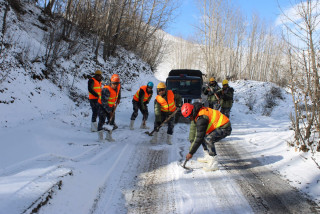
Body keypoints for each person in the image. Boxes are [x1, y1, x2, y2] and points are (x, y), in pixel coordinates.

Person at [181, 102, 232, 171]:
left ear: (191, 112)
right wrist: (192, 140)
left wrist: (191, 152)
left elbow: (199, 137)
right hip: (218, 126)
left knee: (208, 139)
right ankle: (208, 156)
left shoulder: (201, 118)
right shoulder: (195, 113)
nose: (189, 119)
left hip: (225, 127)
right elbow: (193, 128)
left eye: (189, 117)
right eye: (187, 117)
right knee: (204, 136)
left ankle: (214, 163)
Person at [97, 74, 121, 142]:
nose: (115, 85)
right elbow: (104, 102)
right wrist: (109, 112)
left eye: (117, 84)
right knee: (102, 120)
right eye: (114, 84)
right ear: (111, 82)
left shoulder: (118, 86)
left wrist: (118, 98)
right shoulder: (106, 89)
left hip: (111, 105)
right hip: (102, 106)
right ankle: (100, 138)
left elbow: (119, 92)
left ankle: (108, 136)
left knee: (112, 121)